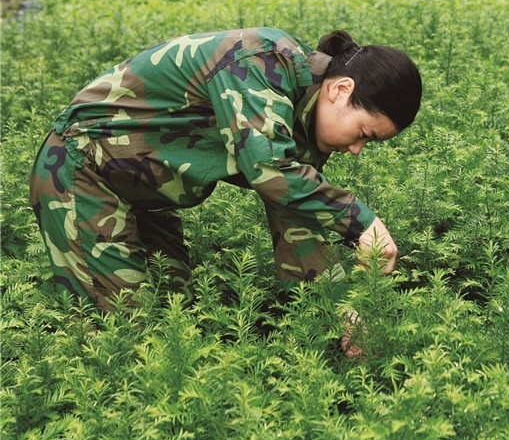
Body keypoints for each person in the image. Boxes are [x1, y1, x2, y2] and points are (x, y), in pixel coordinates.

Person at [30, 26, 421, 314]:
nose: (355, 149)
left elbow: (296, 219)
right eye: (364, 134)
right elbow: (271, 170)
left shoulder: (307, 117)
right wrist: (361, 222)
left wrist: (341, 314)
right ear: (341, 90)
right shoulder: (261, 62)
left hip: (142, 191)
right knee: (122, 326)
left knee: (177, 309)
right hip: (81, 170)